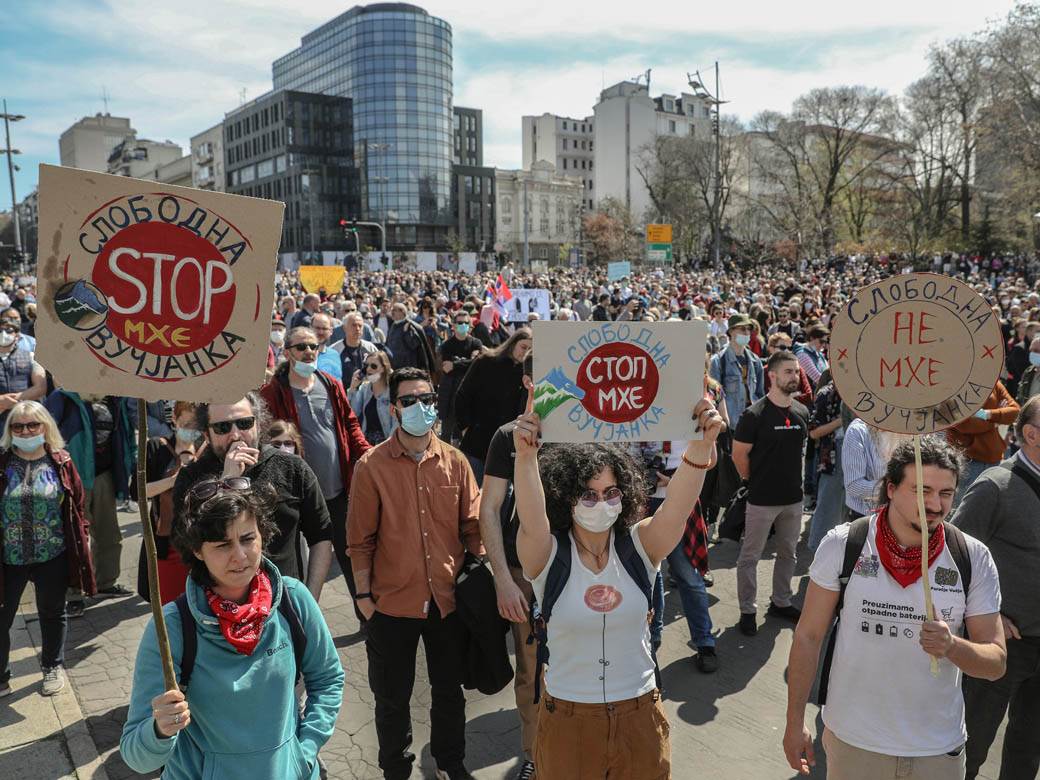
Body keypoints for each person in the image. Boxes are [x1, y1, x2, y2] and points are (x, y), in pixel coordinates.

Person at [512, 390, 725, 779]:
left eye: (611, 492)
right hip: (569, 721)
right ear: (565, 497)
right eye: (588, 495)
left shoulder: (641, 546)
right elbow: (531, 517)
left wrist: (701, 446)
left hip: (640, 713)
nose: (602, 503)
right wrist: (526, 456)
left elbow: (677, 506)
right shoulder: (545, 554)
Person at [784, 437, 1006, 779]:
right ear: (891, 489)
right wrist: (794, 722)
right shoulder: (844, 545)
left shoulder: (972, 557)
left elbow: (995, 663)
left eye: (945, 494)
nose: (934, 504)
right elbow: (808, 637)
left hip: (937, 752)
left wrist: (952, 647)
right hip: (855, 744)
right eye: (922, 490)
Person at [120, 482, 344, 779]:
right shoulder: (172, 627)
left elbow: (328, 679)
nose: (239, 555)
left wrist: (304, 750)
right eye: (223, 545)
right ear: (197, 551)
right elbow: (136, 757)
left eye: (248, 538)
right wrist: (160, 730)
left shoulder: (293, 600)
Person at [347, 367, 484, 780]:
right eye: (409, 401)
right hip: (390, 605)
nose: (420, 408)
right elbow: (360, 541)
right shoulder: (371, 467)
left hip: (446, 603)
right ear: (393, 409)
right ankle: (396, 769)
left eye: (426, 399)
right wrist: (364, 599)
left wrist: (477, 577)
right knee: (392, 699)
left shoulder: (456, 462)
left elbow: (473, 527)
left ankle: (450, 762)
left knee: (449, 693)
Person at [172, 395, 333, 602]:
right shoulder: (191, 477)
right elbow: (184, 543)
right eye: (222, 428)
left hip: (283, 602)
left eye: (244, 423)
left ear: (258, 424)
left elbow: (321, 536)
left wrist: (310, 600)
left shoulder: (291, 467)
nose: (236, 434)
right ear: (207, 434)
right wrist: (226, 482)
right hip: (219, 609)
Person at [953, 395, 1040, 780]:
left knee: (1028, 748)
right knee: (971, 743)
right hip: (1001, 645)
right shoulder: (995, 486)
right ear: (1031, 434)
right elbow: (953, 559)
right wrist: (990, 617)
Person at [0, 402, 93, 698]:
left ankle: (52, 666)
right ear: (9, 431)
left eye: (32, 425)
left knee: (52, 612)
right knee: (2, 616)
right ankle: (1, 675)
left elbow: (78, 503)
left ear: (45, 427)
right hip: (8, 557)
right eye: (18, 426)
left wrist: (84, 536)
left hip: (52, 553)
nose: (26, 431)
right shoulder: (1, 462)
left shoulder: (61, 462)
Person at [477, 357, 538, 777]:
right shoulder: (505, 437)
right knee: (532, 673)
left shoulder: (590, 435)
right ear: (527, 380)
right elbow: (490, 508)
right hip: (525, 576)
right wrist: (503, 578)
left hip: (585, 573)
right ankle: (536, 753)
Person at [731, 350, 809, 636]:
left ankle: (781, 601)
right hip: (762, 499)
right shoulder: (754, 415)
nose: (794, 376)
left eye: (796, 371)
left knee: (788, 553)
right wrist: (753, 479)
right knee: (750, 557)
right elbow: (739, 455)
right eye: (788, 371)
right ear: (772, 375)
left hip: (793, 498)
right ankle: (747, 609)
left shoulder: (801, 411)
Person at [44, 390, 136, 615]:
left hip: (104, 474)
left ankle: (106, 582)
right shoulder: (62, 397)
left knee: (109, 534)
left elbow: (123, 434)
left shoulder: (115, 398)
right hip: (73, 477)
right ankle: (73, 595)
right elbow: (46, 433)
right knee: (75, 539)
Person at [131, 402, 202, 605]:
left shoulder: (206, 449)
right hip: (167, 544)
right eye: (186, 424)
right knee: (171, 606)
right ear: (174, 421)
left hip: (202, 542)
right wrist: (172, 481)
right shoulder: (156, 447)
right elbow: (137, 491)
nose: (192, 430)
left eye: (196, 425)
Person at [453, 328, 531, 485]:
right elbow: (463, 395)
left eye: (530, 350)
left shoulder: (526, 374)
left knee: (500, 501)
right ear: (513, 343)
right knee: (470, 493)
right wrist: (464, 426)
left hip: (506, 446)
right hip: (477, 438)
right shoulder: (486, 361)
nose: (525, 352)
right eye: (523, 347)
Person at [946, 380, 1019, 505]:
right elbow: (963, 424)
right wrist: (997, 420)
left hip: (993, 460)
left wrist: (987, 414)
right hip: (967, 461)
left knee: (986, 508)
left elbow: (1015, 411)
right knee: (958, 510)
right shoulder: (952, 384)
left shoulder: (994, 383)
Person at [806, 378, 846, 551]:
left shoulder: (865, 390)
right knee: (828, 506)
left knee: (846, 509)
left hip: (855, 452)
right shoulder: (826, 394)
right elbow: (813, 432)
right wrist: (842, 420)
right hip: (833, 457)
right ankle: (819, 551)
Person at [437, 309, 484, 445]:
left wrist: (456, 364)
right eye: (459, 322)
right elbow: (446, 367)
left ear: (470, 325)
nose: (462, 324)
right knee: (447, 431)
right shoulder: (447, 345)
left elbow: (477, 364)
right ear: (453, 325)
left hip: (470, 391)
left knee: (468, 430)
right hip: (451, 391)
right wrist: (468, 362)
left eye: (465, 322)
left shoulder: (476, 343)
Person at [709, 313, 765, 426]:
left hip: (753, 422)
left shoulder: (755, 361)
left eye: (749, 329)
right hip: (731, 424)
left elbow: (759, 394)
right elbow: (714, 397)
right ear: (731, 331)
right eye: (742, 329)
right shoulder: (718, 361)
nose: (747, 333)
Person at [0, 317, 46, 430]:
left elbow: (41, 387)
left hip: (27, 419)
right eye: (0, 330)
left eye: (9, 330)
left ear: (17, 335)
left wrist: (12, 401)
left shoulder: (32, 356)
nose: (3, 334)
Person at [348, 350, 397, 446]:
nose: (369, 369)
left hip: (387, 444)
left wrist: (389, 447)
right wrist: (353, 387)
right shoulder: (364, 389)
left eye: (373, 366)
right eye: (366, 365)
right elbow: (353, 412)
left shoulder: (393, 391)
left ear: (383, 368)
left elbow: (397, 423)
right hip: (368, 444)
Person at [385, 302, 436, 372]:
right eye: (392, 310)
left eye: (394, 310)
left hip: (408, 367)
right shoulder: (393, 325)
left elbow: (415, 345)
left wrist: (407, 332)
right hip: (394, 366)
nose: (392, 312)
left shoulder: (411, 326)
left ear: (402, 312)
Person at [331, 312, 380, 383]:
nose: (357, 329)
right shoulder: (334, 350)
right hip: (343, 392)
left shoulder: (370, 348)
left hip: (366, 392)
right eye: (354, 325)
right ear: (344, 328)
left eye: (360, 326)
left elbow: (379, 371)